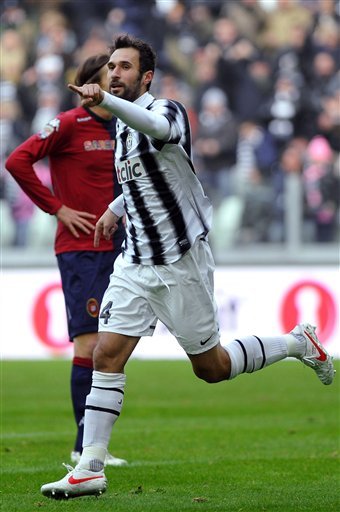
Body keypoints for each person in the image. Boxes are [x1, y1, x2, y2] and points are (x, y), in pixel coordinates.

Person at [40, 34, 335, 500]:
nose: (114, 73)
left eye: (124, 67)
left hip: (181, 261)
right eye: (110, 66)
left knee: (212, 368)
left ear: (147, 77)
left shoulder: (168, 111)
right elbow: (151, 178)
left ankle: (298, 342)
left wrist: (111, 105)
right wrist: (117, 206)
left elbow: (158, 135)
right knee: (105, 354)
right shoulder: (121, 125)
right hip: (135, 261)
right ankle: (90, 467)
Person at [5, 53, 127, 467]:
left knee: (113, 345)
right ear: (89, 84)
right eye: (108, 76)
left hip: (120, 247)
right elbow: (17, 160)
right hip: (81, 250)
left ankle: (95, 445)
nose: (114, 82)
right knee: (90, 344)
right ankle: (82, 447)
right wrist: (56, 208)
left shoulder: (124, 125)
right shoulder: (68, 123)